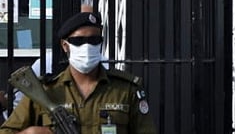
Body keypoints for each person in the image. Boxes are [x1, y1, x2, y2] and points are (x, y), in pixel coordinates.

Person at [0, 11, 157, 133]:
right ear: (65, 45)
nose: (87, 46)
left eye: (94, 40)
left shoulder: (125, 90)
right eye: (79, 41)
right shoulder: (46, 90)